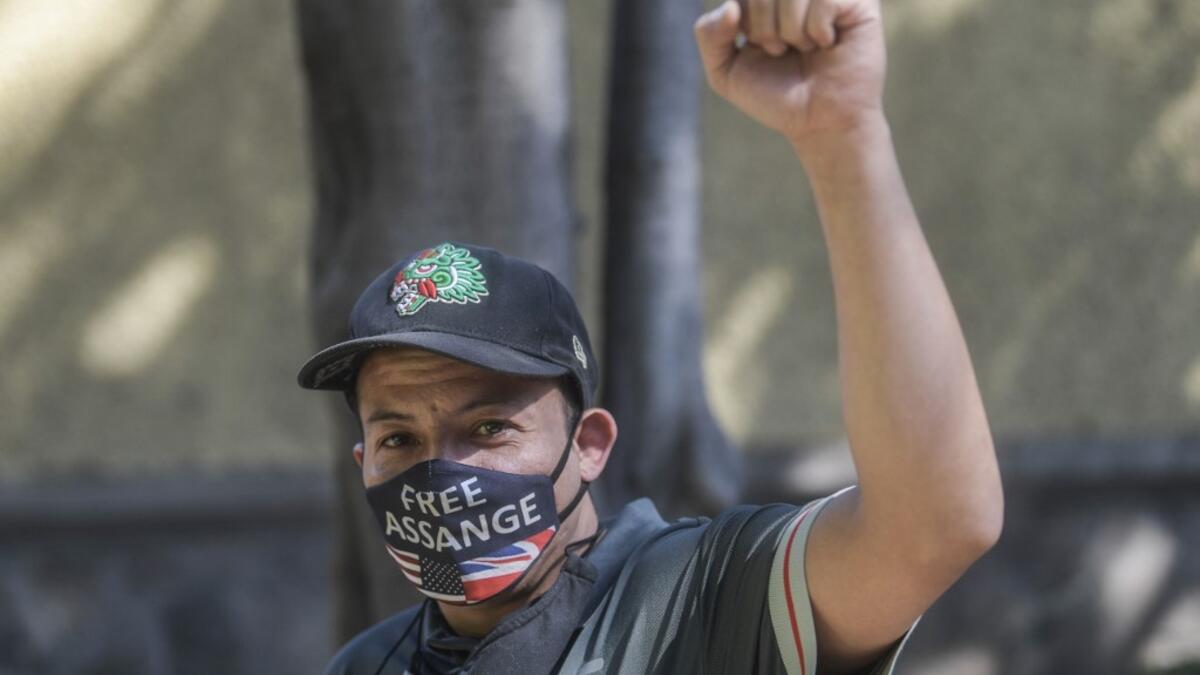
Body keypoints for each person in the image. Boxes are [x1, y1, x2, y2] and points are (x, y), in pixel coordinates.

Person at [298, 0, 1004, 672]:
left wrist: (844, 138)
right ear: (362, 460)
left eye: (488, 426)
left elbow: (933, 526)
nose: (441, 475)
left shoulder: (703, 599)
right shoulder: (368, 664)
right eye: (398, 440)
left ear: (591, 443)